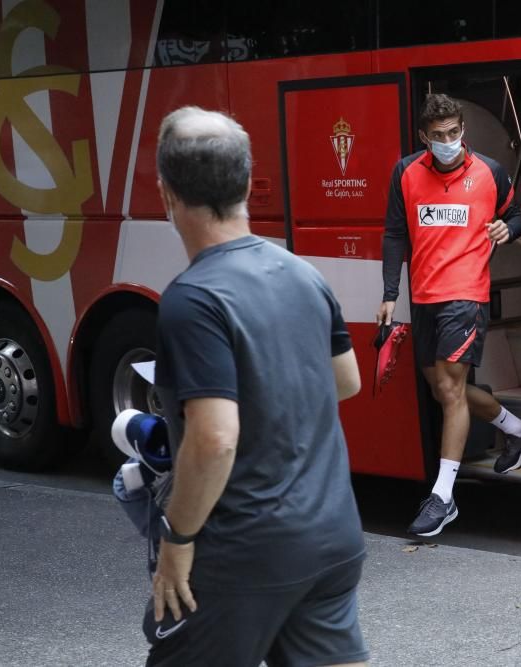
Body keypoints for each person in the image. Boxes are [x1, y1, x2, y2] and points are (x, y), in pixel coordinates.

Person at [147, 106, 368, 666]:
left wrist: (176, 541)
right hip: (333, 535)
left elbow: (216, 438)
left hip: (245, 551)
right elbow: (346, 381)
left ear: (166, 193)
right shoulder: (302, 272)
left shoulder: (192, 299)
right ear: (247, 183)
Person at [378, 93, 521, 538]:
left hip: (467, 295)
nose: (447, 141)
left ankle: (443, 497)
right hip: (424, 296)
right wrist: (391, 294)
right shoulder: (406, 172)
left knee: (450, 386)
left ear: (462, 130)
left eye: (453, 133)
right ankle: (520, 429)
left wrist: (509, 227)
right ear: (423, 137)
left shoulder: (490, 171)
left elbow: (517, 214)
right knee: (443, 388)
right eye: (438, 136)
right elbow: (395, 234)